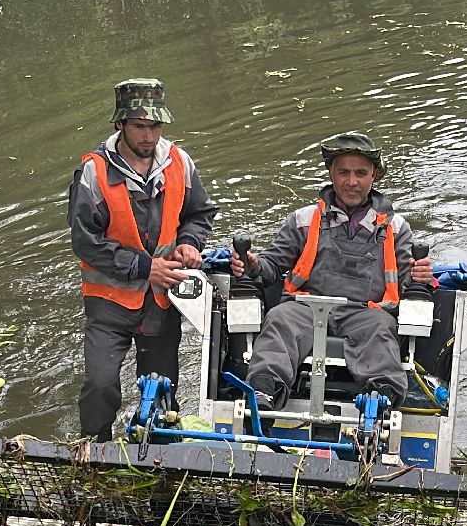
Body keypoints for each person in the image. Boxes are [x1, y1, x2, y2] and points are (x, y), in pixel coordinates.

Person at [232, 132, 435, 413]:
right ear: (331, 173)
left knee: (381, 328)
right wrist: (252, 264)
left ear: (374, 175)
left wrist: (418, 276)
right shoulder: (303, 220)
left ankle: (380, 404)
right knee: (279, 318)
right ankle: (264, 395)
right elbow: (270, 266)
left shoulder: (396, 228)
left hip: (366, 313)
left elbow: (406, 281)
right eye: (343, 172)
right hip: (305, 308)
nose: (351, 182)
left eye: (360, 173)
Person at [67, 78, 218, 440]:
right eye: (139, 126)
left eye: (155, 126)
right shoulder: (94, 173)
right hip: (109, 305)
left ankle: (160, 455)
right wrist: (144, 267)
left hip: (161, 304)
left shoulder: (180, 162)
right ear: (120, 124)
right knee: (101, 386)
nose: (149, 136)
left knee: (163, 390)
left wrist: (189, 243)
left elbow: (199, 213)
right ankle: (93, 454)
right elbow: (86, 243)